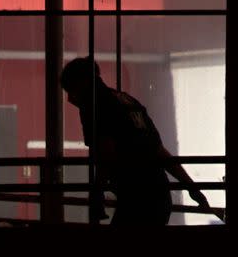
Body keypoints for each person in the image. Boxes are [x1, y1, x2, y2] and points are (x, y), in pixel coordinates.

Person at [61, 57, 215, 225]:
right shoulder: (128, 101)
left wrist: (97, 193)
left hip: (136, 195)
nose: (69, 98)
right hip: (158, 194)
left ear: (82, 83)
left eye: (71, 89)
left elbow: (106, 151)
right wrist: (191, 187)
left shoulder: (93, 104)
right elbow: (159, 151)